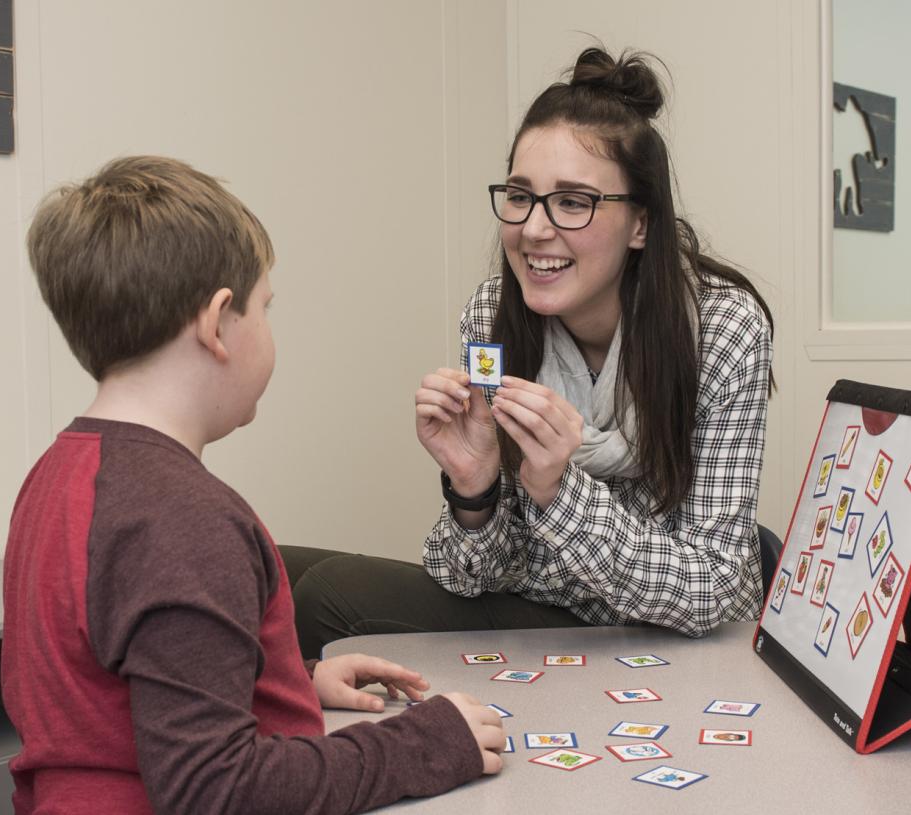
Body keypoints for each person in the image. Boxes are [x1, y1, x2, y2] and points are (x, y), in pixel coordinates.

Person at [1, 156, 503, 815]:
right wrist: (421, 744)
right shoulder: (182, 520)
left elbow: (114, 690)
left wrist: (280, 680)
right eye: (265, 307)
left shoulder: (58, 474)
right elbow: (216, 790)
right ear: (217, 323)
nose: (269, 327)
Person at [289, 46, 773, 658]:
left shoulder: (723, 329)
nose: (535, 229)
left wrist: (557, 491)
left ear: (641, 224)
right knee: (272, 571)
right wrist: (474, 491)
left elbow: (718, 590)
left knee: (326, 595)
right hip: (539, 610)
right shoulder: (491, 316)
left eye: (573, 202)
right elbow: (478, 574)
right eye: (520, 196)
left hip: (661, 639)